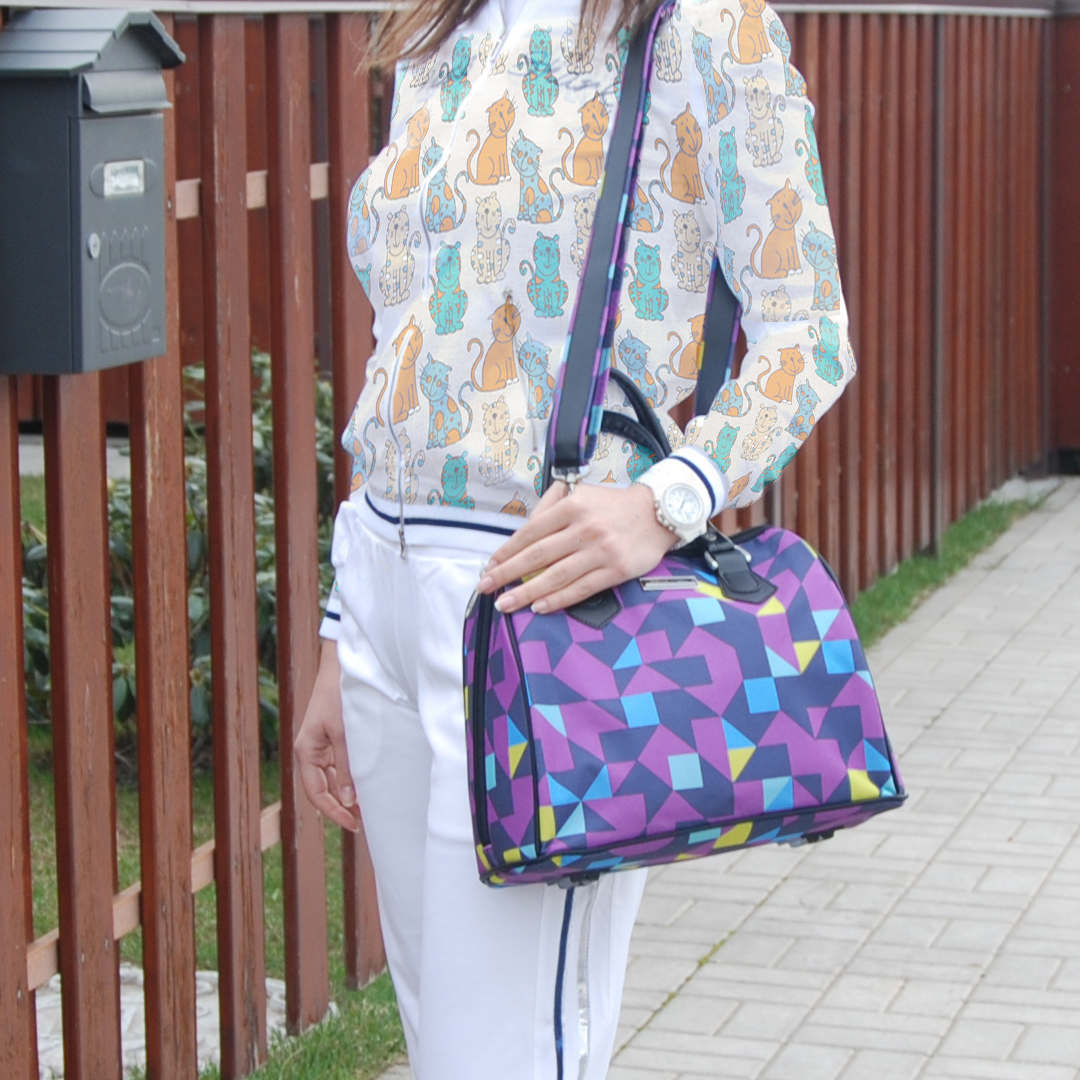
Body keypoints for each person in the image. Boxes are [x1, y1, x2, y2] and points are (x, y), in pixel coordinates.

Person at [295, 0, 856, 1076]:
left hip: (541, 599)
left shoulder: (703, 24)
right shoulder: (435, 30)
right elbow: (402, 339)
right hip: (384, 580)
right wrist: (341, 625)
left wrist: (668, 500)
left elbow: (809, 334)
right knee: (440, 1036)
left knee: (503, 1053)